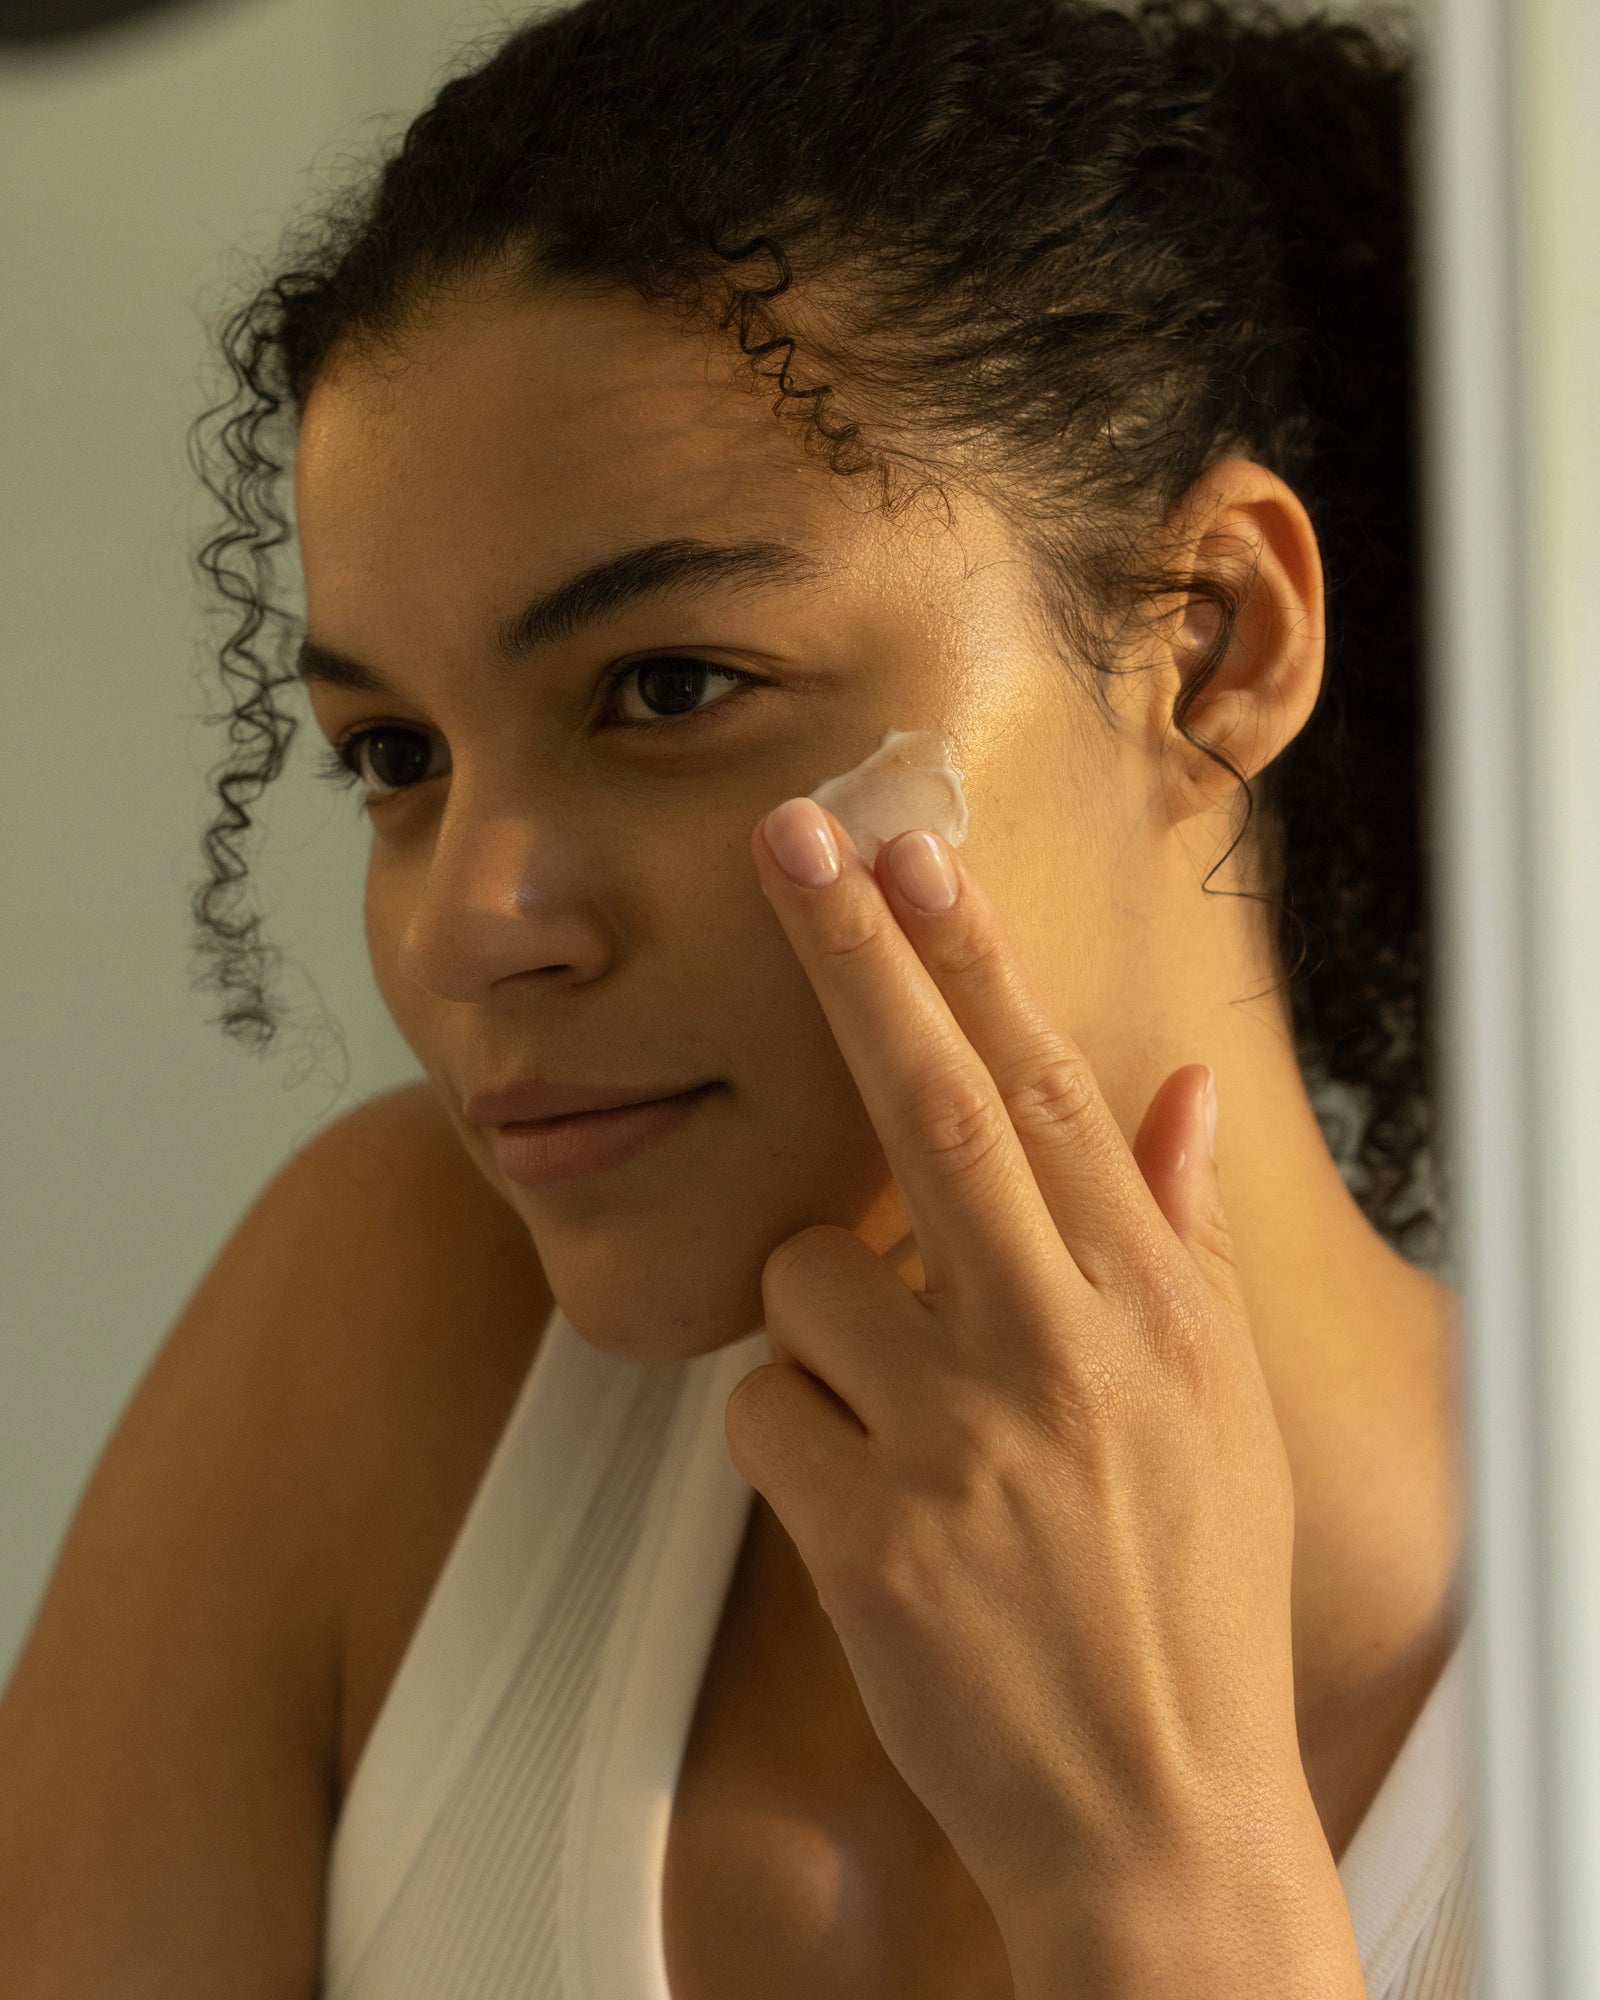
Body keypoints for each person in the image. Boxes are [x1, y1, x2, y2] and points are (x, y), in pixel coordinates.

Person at [0, 0, 1474, 1994]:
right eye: (396, 756)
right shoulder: (400, 1337)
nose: (464, 926)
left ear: (1208, 644)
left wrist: (1164, 1880)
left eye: (670, 687)